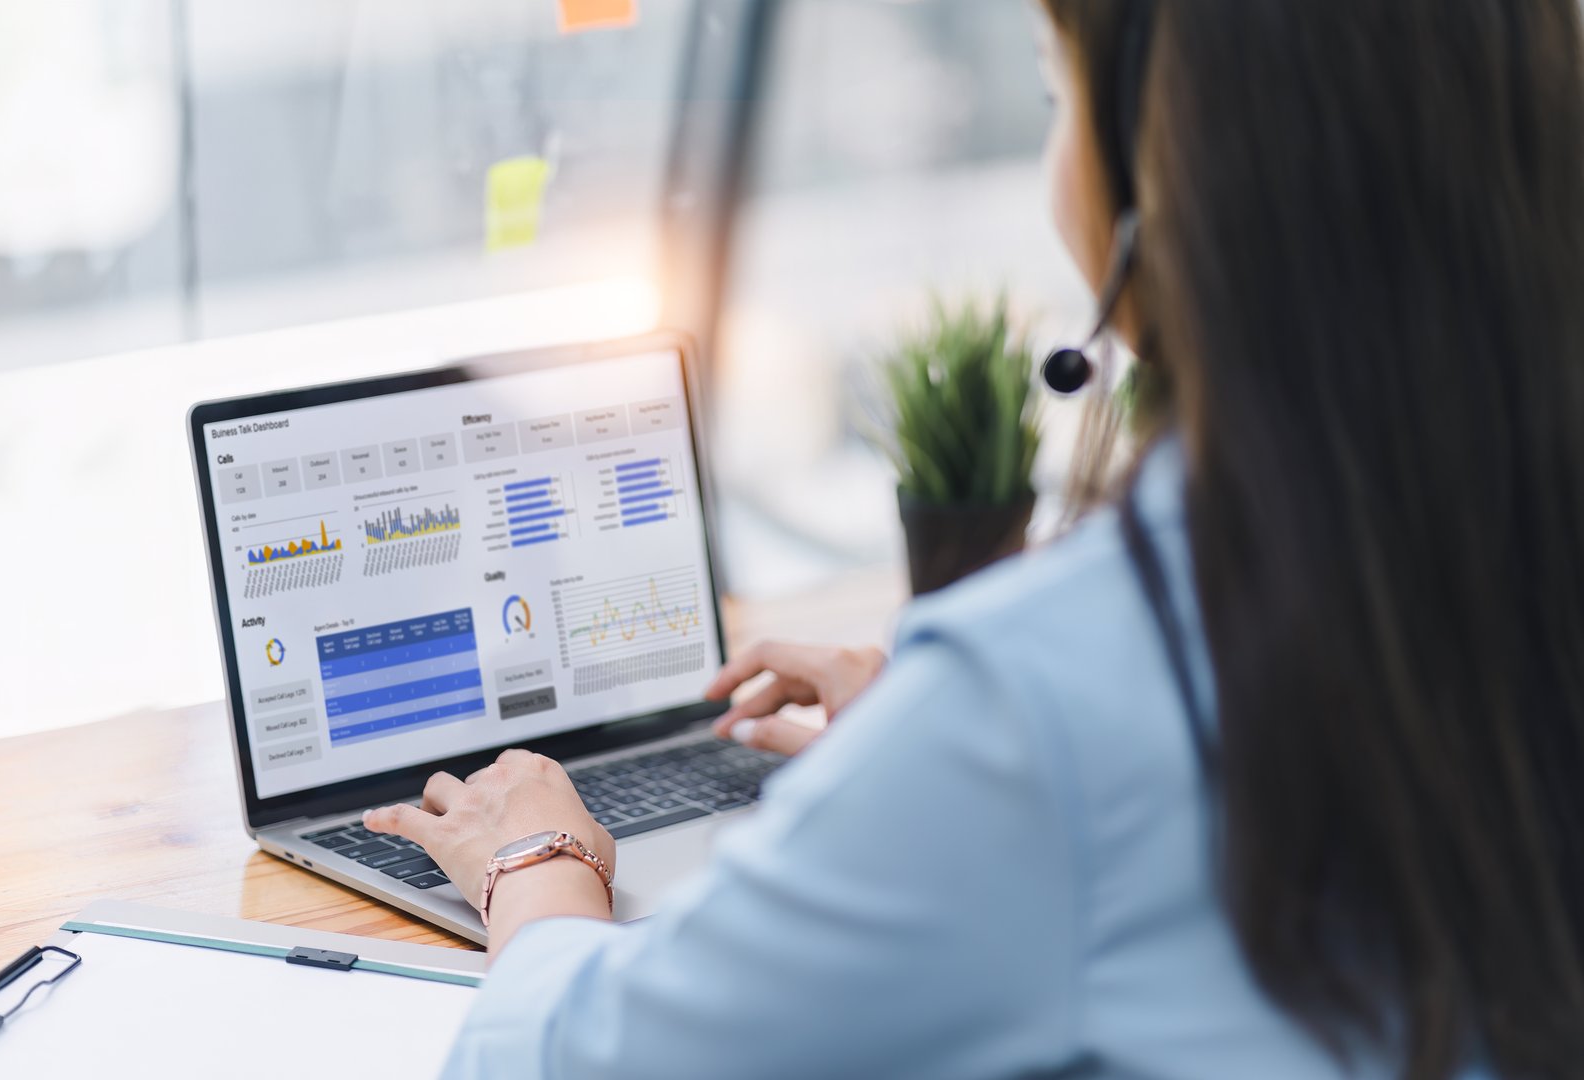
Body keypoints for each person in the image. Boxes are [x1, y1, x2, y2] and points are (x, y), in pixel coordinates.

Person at [364, 1, 1584, 1076]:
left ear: (1169, 171)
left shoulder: (1054, 701)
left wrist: (531, 858)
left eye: (1057, 98)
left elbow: (574, 1066)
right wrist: (925, 754)